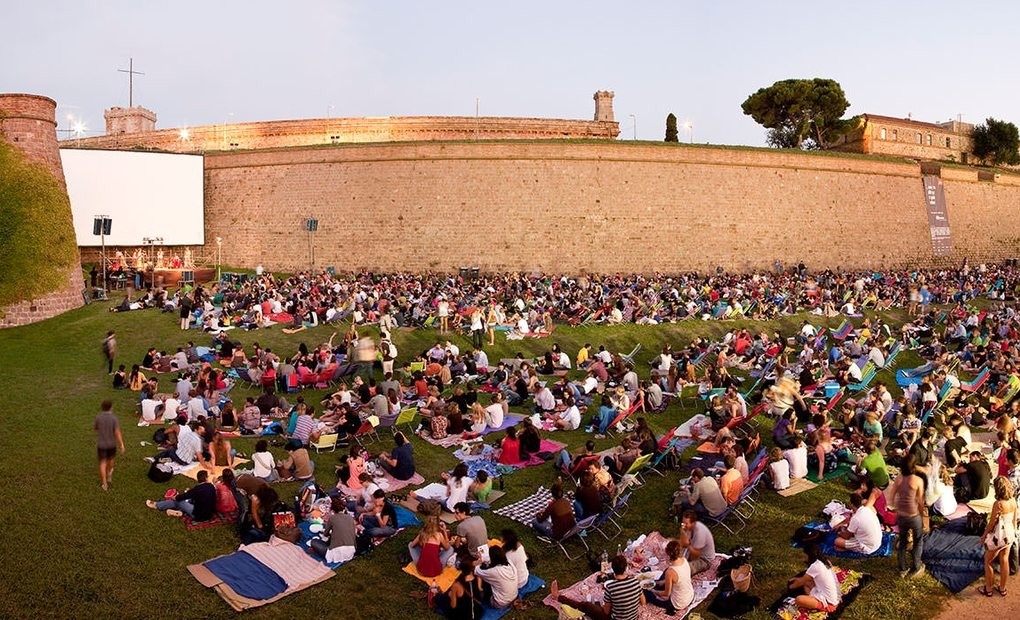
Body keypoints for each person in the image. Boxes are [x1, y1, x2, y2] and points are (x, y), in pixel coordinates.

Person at [553, 554, 644, 620]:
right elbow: (643, 600)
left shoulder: (611, 587)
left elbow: (606, 611)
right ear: (625, 568)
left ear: (613, 569)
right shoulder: (635, 581)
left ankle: (558, 597)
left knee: (586, 605)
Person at [979, 476, 1018, 596]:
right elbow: (1014, 520)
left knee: (988, 561)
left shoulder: (998, 504)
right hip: (1010, 533)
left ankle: (989, 589)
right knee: (1004, 559)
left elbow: (991, 523)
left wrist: (984, 536)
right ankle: (1002, 588)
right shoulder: (1013, 501)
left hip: (999, 535)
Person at [891, 455, 926, 578]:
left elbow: (892, 497)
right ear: (914, 466)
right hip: (914, 515)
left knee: (903, 541)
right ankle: (917, 566)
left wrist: (897, 508)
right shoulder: (918, 481)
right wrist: (922, 516)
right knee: (918, 541)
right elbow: (921, 502)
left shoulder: (898, 479)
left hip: (902, 515)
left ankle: (902, 569)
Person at [787, 544, 841, 613]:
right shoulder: (825, 561)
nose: (804, 558)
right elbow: (806, 580)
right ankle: (811, 601)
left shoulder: (815, 566)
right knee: (807, 584)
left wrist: (790, 586)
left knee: (798, 599)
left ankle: (817, 606)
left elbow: (800, 582)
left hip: (830, 604)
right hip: (835, 597)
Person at [147, 469, 217, 521]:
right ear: (206, 478)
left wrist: (175, 497)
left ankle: (157, 505)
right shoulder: (211, 486)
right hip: (209, 514)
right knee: (188, 500)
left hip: (198, 515)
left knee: (177, 501)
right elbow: (199, 496)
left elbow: (182, 497)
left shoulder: (197, 489)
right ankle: (180, 512)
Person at [647, 539, 694, 615]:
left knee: (647, 592)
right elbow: (679, 575)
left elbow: (666, 594)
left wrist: (654, 591)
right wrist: (665, 581)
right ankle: (659, 584)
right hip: (689, 595)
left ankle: (654, 589)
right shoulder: (684, 560)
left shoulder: (671, 571)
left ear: (668, 554)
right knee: (666, 572)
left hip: (678, 603)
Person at [310, 497, 358, 564]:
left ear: (332, 510)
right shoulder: (350, 518)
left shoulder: (332, 518)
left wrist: (326, 531)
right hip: (351, 551)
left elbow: (325, 534)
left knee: (314, 542)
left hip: (336, 553)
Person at [94, 399, 125, 491]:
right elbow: (117, 432)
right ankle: (110, 473)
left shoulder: (98, 417)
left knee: (102, 463)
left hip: (101, 445)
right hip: (112, 444)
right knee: (111, 459)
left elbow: (96, 428)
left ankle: (104, 483)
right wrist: (121, 444)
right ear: (111, 407)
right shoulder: (114, 418)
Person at [678, 510, 716, 575]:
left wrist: (687, 545)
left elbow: (696, 555)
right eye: (683, 522)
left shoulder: (700, 533)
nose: (684, 525)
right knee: (674, 551)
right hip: (691, 551)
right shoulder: (688, 527)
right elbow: (682, 543)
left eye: (686, 523)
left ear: (693, 523)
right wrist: (682, 532)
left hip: (704, 559)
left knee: (682, 571)